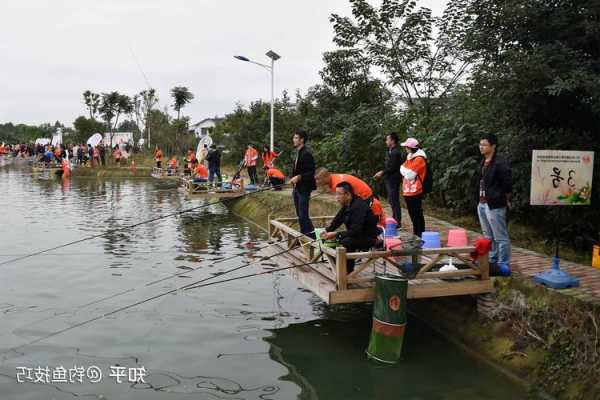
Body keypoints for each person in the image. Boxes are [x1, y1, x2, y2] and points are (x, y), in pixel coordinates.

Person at [321, 182, 381, 273]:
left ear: (348, 194)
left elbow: (356, 231)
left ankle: (347, 272)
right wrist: (326, 231)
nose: (336, 197)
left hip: (368, 238)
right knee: (333, 240)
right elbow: (337, 220)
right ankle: (338, 266)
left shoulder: (359, 206)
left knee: (346, 241)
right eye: (335, 194)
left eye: (338, 194)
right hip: (356, 235)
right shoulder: (347, 205)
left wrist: (336, 234)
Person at [476, 133, 512, 267]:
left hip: (495, 204)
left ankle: (503, 263)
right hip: (482, 203)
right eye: (480, 144)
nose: (481, 147)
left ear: (493, 146)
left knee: (500, 236)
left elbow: (507, 184)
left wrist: (506, 199)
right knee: (488, 235)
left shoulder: (500, 163)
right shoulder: (483, 162)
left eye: (484, 144)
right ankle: (492, 259)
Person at [315, 168, 386, 226]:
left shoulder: (337, 184)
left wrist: (333, 228)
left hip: (366, 199)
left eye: (318, 179)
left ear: (326, 177)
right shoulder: (334, 177)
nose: (316, 182)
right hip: (366, 197)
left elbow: (344, 207)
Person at [289, 128, 316, 239]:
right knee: (300, 215)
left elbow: (311, 172)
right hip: (297, 188)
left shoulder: (306, 154)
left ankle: (312, 238)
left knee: (304, 215)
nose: (293, 140)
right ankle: (304, 236)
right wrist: (293, 179)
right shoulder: (299, 152)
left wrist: (299, 177)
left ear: (302, 140)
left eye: (296, 138)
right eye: (294, 137)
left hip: (304, 189)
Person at [373, 132, 404, 226]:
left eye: (387, 139)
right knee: (391, 200)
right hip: (389, 178)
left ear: (392, 140)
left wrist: (381, 172)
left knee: (394, 200)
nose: (386, 141)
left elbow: (392, 167)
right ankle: (395, 219)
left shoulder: (395, 152)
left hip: (394, 179)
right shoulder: (390, 151)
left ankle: (397, 222)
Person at [399, 138, 427, 237]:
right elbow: (401, 168)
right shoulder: (409, 157)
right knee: (412, 213)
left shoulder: (419, 159)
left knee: (417, 213)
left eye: (406, 147)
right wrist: (406, 171)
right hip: (407, 190)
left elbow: (410, 175)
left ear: (410, 147)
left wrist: (406, 171)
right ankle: (416, 232)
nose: (405, 148)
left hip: (416, 190)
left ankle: (420, 233)